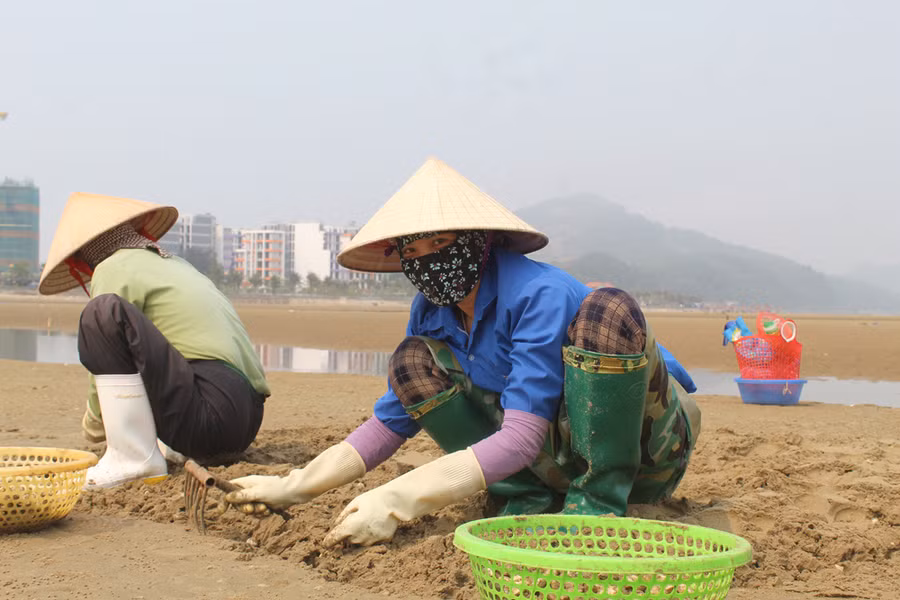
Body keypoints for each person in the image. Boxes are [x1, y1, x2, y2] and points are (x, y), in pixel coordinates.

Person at [225, 158, 700, 546]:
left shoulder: (537, 294)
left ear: (478, 241)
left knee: (607, 308)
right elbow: (390, 422)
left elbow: (522, 437)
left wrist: (396, 499)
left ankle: (597, 506)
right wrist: (294, 486)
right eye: (414, 251)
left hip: (642, 453)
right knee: (411, 363)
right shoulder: (431, 312)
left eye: (442, 242)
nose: (429, 259)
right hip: (550, 459)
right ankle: (523, 495)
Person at [39, 192, 270, 489]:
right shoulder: (176, 264)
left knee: (102, 312)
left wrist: (95, 421)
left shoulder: (114, 266)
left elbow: (106, 344)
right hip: (246, 420)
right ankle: (165, 446)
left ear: (85, 254)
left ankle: (133, 459)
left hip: (211, 415)